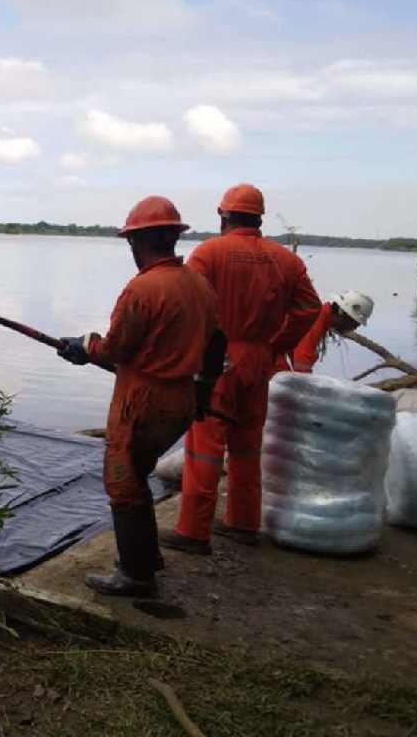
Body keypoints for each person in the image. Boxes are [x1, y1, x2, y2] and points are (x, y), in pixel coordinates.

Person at [57, 196, 221, 597]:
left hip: (144, 401)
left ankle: (135, 575)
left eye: (131, 242)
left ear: (139, 242)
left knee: (123, 483)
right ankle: (146, 559)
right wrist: (203, 391)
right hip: (182, 397)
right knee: (140, 475)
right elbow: (217, 344)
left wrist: (85, 346)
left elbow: (116, 350)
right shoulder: (198, 283)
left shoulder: (143, 289)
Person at [162, 183, 321, 555]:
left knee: (204, 444)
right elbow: (310, 309)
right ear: (259, 218)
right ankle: (244, 523)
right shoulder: (287, 261)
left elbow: (186, 302)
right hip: (260, 361)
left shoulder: (210, 252)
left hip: (218, 359)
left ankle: (193, 531)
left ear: (224, 216)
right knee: (248, 444)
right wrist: (277, 343)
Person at [273, 290, 374, 373]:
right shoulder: (316, 318)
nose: (354, 328)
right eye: (354, 323)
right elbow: (301, 360)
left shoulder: (318, 316)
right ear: (341, 312)